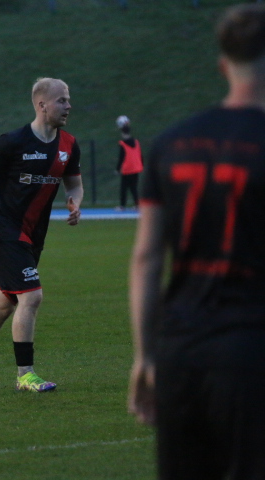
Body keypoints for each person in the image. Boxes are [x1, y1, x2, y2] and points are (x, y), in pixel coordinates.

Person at [128, 4, 265, 479]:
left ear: (223, 66)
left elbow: (146, 258)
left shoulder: (172, 142)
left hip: (180, 351)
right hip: (250, 350)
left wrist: (145, 356)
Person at [0, 77, 83, 394]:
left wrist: (75, 202)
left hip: (35, 236)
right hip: (6, 230)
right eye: (62, 100)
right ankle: (25, 375)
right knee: (31, 296)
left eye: (68, 99)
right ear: (42, 105)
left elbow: (74, 184)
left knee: (2, 306)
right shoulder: (12, 142)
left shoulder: (68, 145)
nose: (68, 106)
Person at [114, 115, 143, 211]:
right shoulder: (136, 142)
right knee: (134, 188)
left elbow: (121, 158)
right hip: (136, 168)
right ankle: (138, 205)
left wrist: (117, 169)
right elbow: (140, 155)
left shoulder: (123, 144)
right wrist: (142, 165)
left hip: (127, 169)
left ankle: (122, 206)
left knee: (124, 188)